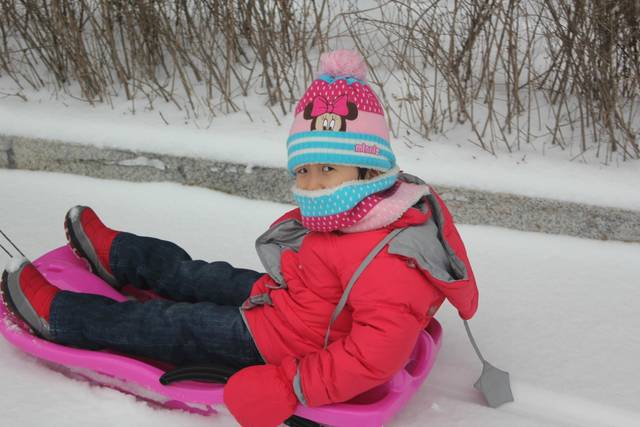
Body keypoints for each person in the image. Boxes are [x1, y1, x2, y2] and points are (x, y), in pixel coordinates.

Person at [1, 50, 478, 427]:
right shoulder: (374, 205)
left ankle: (62, 317)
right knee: (200, 273)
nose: (311, 186)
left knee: (170, 323)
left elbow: (372, 358)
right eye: (304, 170)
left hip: (283, 343)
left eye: (327, 169)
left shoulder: (392, 263)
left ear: (369, 166)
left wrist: (290, 386)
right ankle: (118, 256)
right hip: (292, 300)